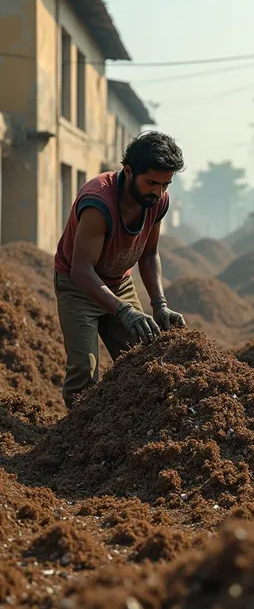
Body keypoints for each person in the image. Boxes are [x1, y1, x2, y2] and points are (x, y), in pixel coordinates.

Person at [54, 131, 186, 409]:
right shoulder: (98, 203)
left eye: (165, 184)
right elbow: (81, 270)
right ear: (128, 171)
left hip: (119, 283)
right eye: (151, 182)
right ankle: (81, 439)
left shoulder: (157, 201)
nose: (158, 192)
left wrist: (159, 305)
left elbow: (149, 255)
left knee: (141, 357)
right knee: (83, 373)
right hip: (79, 286)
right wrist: (124, 310)